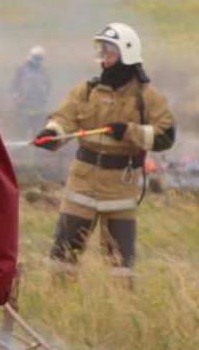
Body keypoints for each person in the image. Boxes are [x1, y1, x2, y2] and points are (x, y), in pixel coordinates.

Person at [35, 23, 175, 282]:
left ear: (127, 53)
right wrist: (51, 133)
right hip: (81, 184)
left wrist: (129, 131)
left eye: (110, 51)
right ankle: (59, 305)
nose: (103, 57)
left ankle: (118, 309)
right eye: (102, 50)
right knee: (62, 257)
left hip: (120, 188)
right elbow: (64, 118)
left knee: (120, 265)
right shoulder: (87, 91)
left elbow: (166, 135)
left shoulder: (149, 97)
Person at [8, 46, 51, 137]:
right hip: (22, 109)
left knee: (38, 134)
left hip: (39, 110)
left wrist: (43, 98)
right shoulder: (21, 70)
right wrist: (17, 99)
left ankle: (37, 151)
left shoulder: (43, 72)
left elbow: (48, 87)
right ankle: (20, 151)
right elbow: (13, 87)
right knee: (19, 134)